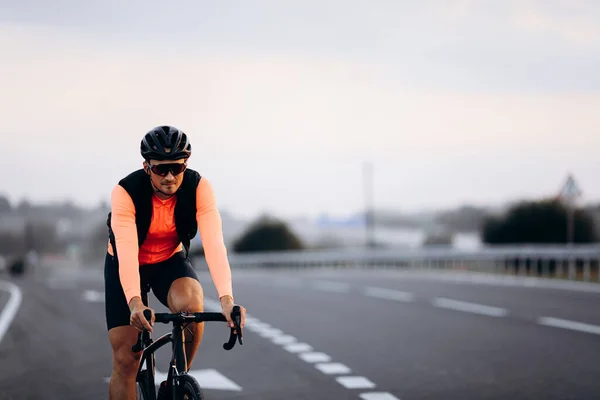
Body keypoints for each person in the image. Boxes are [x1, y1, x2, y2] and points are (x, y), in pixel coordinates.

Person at [104, 125, 246, 400]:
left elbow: (215, 244)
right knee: (125, 360)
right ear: (147, 167)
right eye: (161, 169)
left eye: (177, 168)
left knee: (192, 304)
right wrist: (135, 302)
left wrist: (227, 300)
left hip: (168, 258)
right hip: (126, 261)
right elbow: (126, 249)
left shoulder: (198, 187)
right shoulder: (126, 192)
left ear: (186, 165)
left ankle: (177, 379)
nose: (169, 177)